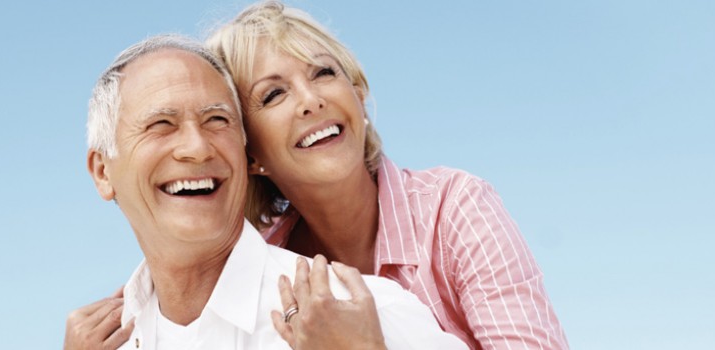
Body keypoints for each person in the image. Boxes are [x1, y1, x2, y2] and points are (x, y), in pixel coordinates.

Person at [204, 2, 569, 349]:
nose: (310, 100)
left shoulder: (454, 208)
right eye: (273, 94)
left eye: (324, 73)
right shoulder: (258, 272)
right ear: (248, 154)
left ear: (358, 95)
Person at [67, 34, 466, 350]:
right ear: (103, 173)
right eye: (162, 125)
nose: (197, 147)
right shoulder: (102, 342)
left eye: (217, 119)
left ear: (245, 152)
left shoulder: (364, 311)